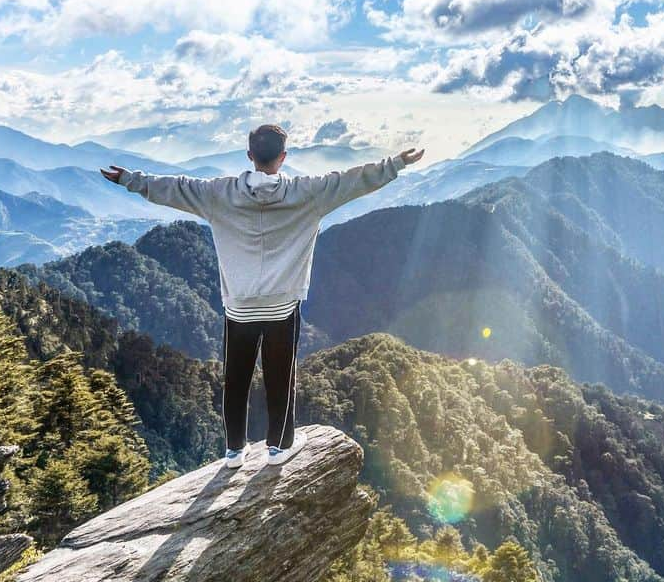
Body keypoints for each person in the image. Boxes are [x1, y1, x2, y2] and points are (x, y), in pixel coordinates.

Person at [101, 124, 424, 469]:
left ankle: (234, 450)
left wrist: (129, 179)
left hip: (239, 307)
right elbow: (354, 179)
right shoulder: (309, 193)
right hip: (282, 307)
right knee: (280, 376)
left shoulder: (218, 194)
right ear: (283, 158)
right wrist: (397, 162)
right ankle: (279, 447)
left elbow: (174, 187)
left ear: (249, 155)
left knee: (236, 377)